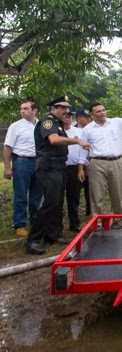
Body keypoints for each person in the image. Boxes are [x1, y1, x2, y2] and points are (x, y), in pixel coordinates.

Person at [26, 96, 92, 255]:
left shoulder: (58, 124)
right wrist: (76, 141)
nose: (66, 111)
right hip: (49, 167)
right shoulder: (48, 121)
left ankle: (52, 235)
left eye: (66, 108)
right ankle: (33, 239)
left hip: (59, 166)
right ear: (53, 108)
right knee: (51, 202)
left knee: (57, 202)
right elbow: (53, 140)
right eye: (62, 108)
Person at [3, 101, 43, 237]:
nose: (22, 111)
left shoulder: (41, 125)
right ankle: (19, 224)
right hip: (22, 162)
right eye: (21, 109)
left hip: (38, 162)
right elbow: (7, 147)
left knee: (37, 194)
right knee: (21, 195)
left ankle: (35, 220)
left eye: (26, 108)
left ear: (34, 110)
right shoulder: (15, 126)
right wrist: (7, 167)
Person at [63, 111, 86, 232]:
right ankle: (56, 225)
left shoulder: (79, 132)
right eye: (65, 116)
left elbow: (83, 150)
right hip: (59, 168)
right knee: (57, 198)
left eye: (69, 117)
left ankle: (74, 223)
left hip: (74, 167)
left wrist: (81, 168)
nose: (67, 119)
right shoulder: (56, 131)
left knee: (74, 197)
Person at [74, 109, 92, 216]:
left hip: (88, 161)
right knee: (75, 188)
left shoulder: (90, 129)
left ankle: (89, 209)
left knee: (89, 187)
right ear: (79, 118)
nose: (88, 120)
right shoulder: (72, 129)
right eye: (86, 117)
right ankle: (75, 211)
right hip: (74, 162)